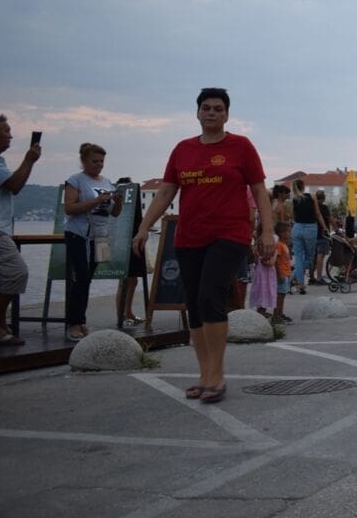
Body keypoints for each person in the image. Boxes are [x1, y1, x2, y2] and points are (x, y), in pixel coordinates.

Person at [132, 88, 274, 404]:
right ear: (197, 113)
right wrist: (143, 227)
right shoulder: (182, 150)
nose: (211, 113)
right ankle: (204, 373)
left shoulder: (241, 146)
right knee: (194, 303)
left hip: (229, 233)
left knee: (211, 294)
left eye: (218, 109)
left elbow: (260, 190)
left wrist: (267, 232)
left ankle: (217, 375)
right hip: (189, 236)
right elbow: (166, 193)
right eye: (206, 108)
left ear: (226, 115)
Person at [62, 142, 123, 341]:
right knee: (81, 277)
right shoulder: (76, 180)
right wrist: (97, 201)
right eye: (94, 161)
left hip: (100, 235)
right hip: (79, 234)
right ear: (84, 161)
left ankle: (81, 320)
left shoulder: (106, 182)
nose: (98, 165)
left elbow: (115, 213)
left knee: (88, 277)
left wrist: (118, 201)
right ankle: (73, 322)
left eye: (101, 162)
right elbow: (69, 208)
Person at [0, 114, 40, 346]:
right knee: (17, 273)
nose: (10, 135)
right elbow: (14, 185)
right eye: (6, 131)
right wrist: (29, 160)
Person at [114, 176, 147, 327]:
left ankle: (128, 312)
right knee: (124, 280)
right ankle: (122, 314)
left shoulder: (134, 203)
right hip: (122, 242)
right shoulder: (118, 202)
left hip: (133, 240)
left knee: (133, 280)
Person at [289, 179, 325, 295]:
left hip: (297, 228)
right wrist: (324, 227)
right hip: (310, 228)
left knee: (298, 258)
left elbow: (292, 216)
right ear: (303, 186)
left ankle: (299, 284)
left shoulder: (294, 199)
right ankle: (292, 279)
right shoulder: (311, 197)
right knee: (309, 257)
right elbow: (318, 213)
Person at [250, 219, 281, 319]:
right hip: (267, 273)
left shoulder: (257, 245)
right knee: (265, 292)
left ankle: (260, 313)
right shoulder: (268, 247)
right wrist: (275, 255)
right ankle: (261, 314)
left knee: (261, 293)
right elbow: (270, 262)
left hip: (260, 273)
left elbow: (256, 259)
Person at [272, 221, 293, 323]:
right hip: (282, 274)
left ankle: (280, 313)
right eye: (288, 232)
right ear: (281, 233)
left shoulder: (284, 244)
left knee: (283, 294)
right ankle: (276, 315)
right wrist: (279, 273)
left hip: (286, 273)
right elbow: (276, 260)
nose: (290, 234)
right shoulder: (279, 245)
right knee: (279, 295)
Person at [311, 190, 331, 284]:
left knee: (312, 257)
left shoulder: (311, 207)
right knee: (320, 256)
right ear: (324, 198)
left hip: (312, 234)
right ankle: (319, 278)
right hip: (322, 235)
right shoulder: (324, 207)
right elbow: (330, 219)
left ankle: (311, 277)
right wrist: (337, 230)